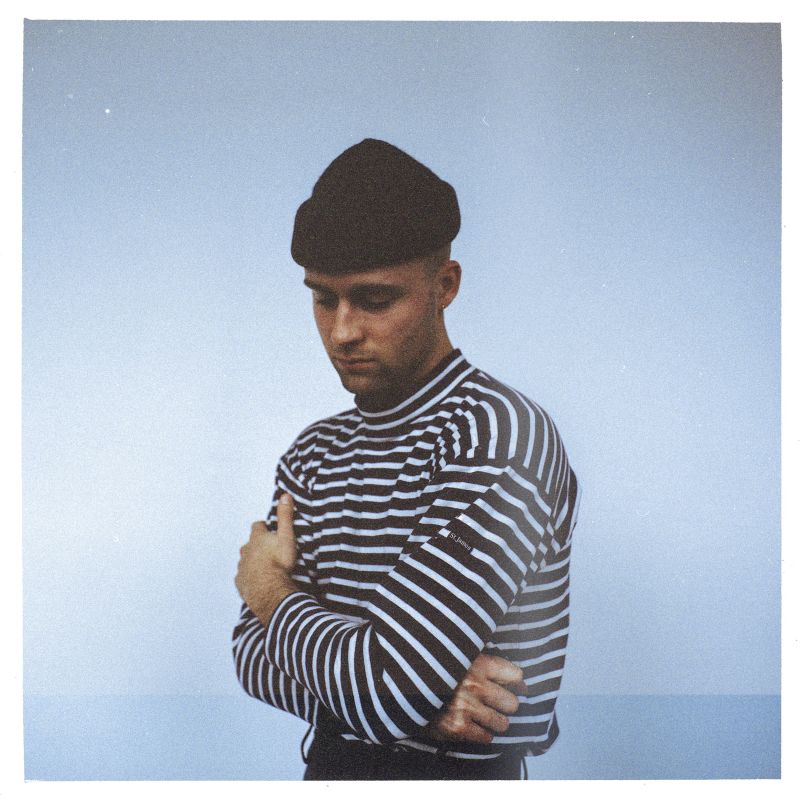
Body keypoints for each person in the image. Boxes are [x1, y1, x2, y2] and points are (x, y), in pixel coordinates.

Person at [232, 138, 581, 780]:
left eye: (374, 300)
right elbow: (250, 657)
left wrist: (270, 591)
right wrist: (423, 704)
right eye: (323, 298)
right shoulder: (311, 454)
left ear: (445, 286)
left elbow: (382, 684)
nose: (342, 331)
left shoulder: (497, 434)